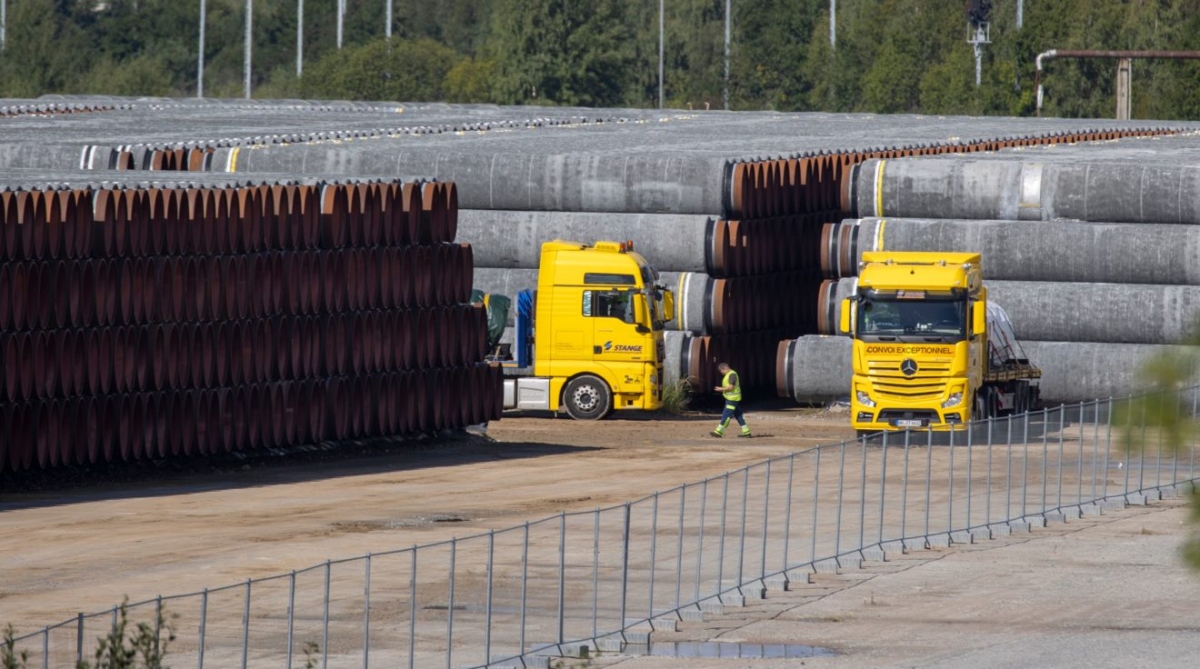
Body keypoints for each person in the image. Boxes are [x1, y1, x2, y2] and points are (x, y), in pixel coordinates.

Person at [710, 362, 751, 438]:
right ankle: (746, 432)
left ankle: (718, 432)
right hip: (733, 399)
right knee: (738, 415)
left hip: (732, 399)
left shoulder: (732, 375)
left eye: (721, 371)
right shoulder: (730, 374)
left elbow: (731, 387)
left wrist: (721, 389)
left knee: (726, 415)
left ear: (725, 368)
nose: (721, 373)